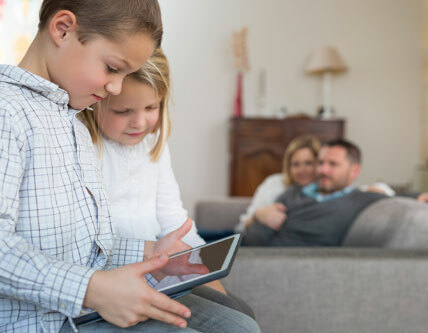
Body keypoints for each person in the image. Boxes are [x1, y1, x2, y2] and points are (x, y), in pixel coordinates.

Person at [0, 1, 260, 332]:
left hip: (84, 305)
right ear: (63, 29)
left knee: (239, 326)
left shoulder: (74, 123)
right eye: (112, 68)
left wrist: (151, 252)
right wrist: (93, 288)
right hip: (43, 320)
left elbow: (83, 250)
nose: (116, 88)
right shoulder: (7, 111)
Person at [80, 47, 254, 318]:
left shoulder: (153, 143)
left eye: (151, 107)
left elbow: (173, 219)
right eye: (123, 110)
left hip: (159, 264)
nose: (139, 122)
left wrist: (201, 264)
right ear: (97, 101)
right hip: (115, 273)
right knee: (231, 318)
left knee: (238, 308)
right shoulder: (88, 147)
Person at [243, 139, 428, 246]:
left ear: (354, 171)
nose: (323, 170)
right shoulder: (295, 191)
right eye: (321, 163)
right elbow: (255, 233)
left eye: (333, 164)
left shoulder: (359, 200)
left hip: (274, 261)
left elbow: (391, 201)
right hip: (245, 246)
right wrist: (258, 217)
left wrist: (422, 196)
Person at [235, 134, 321, 233]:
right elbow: (241, 227)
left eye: (308, 163)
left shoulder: (326, 192)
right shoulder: (273, 183)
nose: (302, 170)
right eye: (296, 164)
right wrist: (258, 215)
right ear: (288, 166)